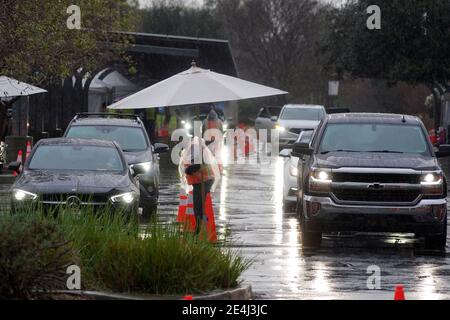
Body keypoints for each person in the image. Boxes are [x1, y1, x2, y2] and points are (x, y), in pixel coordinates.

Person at [179, 136, 220, 234]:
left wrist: (188, 170)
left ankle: (200, 230)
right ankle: (200, 228)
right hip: (201, 181)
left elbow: (198, 165)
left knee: (198, 207)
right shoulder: (193, 147)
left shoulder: (194, 148)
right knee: (198, 206)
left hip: (203, 181)